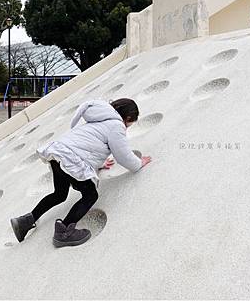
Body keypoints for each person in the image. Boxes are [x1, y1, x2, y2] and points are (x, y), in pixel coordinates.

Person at [10, 98, 152, 248]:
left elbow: (88, 145)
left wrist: (99, 164)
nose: (127, 128)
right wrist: (138, 163)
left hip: (58, 154)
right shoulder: (116, 125)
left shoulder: (98, 120)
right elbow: (122, 155)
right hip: (71, 159)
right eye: (130, 124)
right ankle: (64, 232)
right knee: (91, 195)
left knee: (59, 194)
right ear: (128, 118)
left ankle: (25, 221)